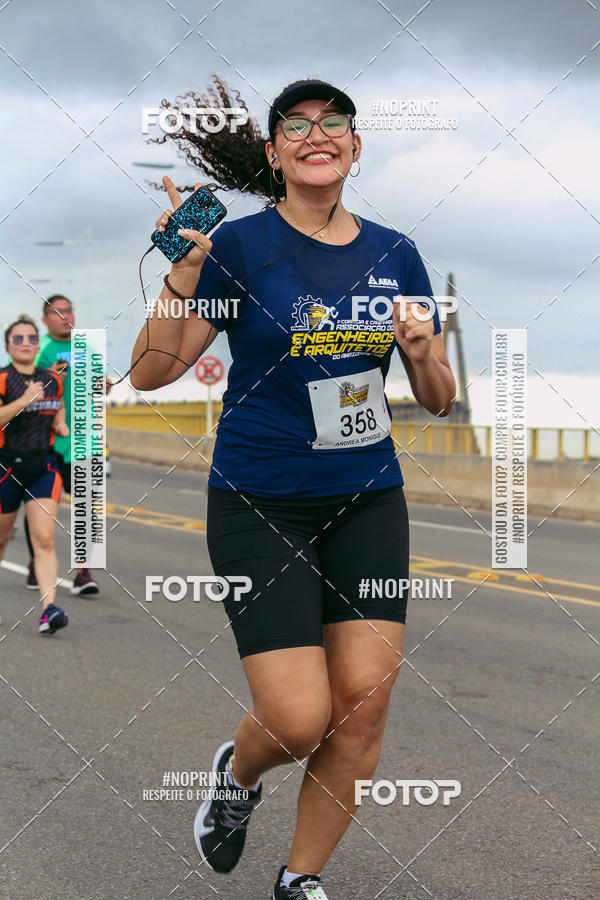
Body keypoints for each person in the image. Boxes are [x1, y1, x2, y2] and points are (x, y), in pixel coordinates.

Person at [131, 78, 456, 899]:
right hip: (259, 497)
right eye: (298, 126)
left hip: (367, 496)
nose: (319, 134)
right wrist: (186, 271)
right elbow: (151, 371)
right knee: (298, 718)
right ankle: (237, 778)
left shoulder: (396, 252)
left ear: (354, 146)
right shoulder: (239, 247)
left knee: (363, 709)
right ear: (273, 153)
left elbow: (440, 395)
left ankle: (300, 878)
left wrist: (420, 351)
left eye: (335, 123)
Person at [24, 294, 100, 595]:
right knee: (42, 508)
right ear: (45, 319)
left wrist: (102, 384)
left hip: (84, 438)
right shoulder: (38, 349)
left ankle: (83, 571)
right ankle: (34, 563)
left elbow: (98, 381)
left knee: (86, 508)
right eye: (57, 312)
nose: (65, 316)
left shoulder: (87, 347)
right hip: (46, 440)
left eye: (69, 310)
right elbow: (20, 386)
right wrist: (49, 376)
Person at [0, 315, 69, 634]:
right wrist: (24, 400)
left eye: (31, 338)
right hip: (5, 468)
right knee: (1, 539)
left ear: (38, 343)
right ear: (7, 346)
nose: (25, 342)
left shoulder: (52, 379)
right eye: (18, 338)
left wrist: (60, 422)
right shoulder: (2, 379)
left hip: (43, 467)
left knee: (44, 538)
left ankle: (48, 609)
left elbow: (57, 407)